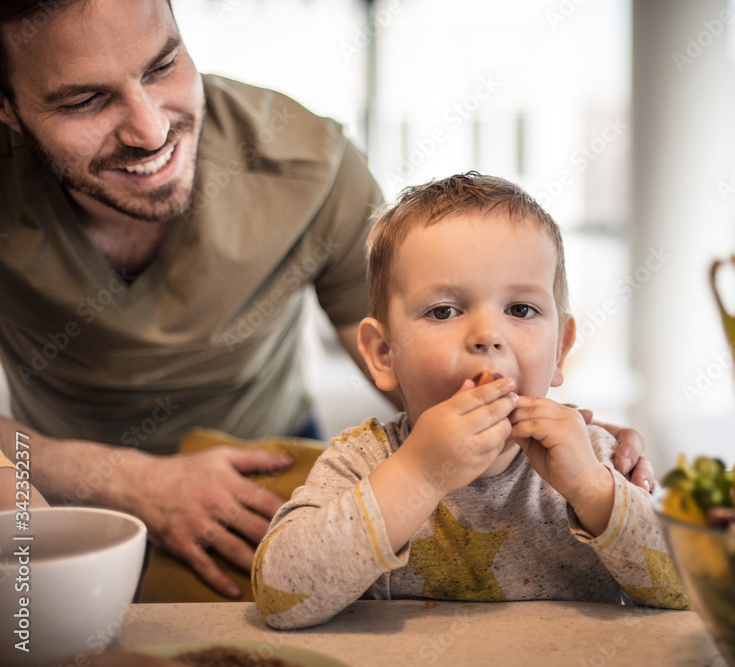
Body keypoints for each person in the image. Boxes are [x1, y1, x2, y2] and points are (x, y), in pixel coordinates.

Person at [0, 1, 653, 600]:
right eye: (85, 101)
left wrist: (545, 432)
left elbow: (418, 362)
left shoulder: (308, 164)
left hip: (276, 484)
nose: (148, 130)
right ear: (6, 107)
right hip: (46, 479)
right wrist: (128, 480)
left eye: (164, 65)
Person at [252, 173, 688, 629]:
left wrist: (595, 491)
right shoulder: (361, 461)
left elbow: (692, 590)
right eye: (443, 311)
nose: (487, 336)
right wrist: (417, 472)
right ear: (384, 354)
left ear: (560, 349)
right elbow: (282, 597)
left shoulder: (595, 456)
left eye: (520, 309)